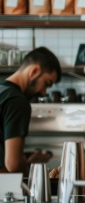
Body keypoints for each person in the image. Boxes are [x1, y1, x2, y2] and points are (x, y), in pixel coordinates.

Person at [0, 47, 62, 175]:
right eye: (47, 83)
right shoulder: (17, 101)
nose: (44, 93)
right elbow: (13, 164)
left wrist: (26, 161)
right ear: (34, 71)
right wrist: (33, 179)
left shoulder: (2, 91)